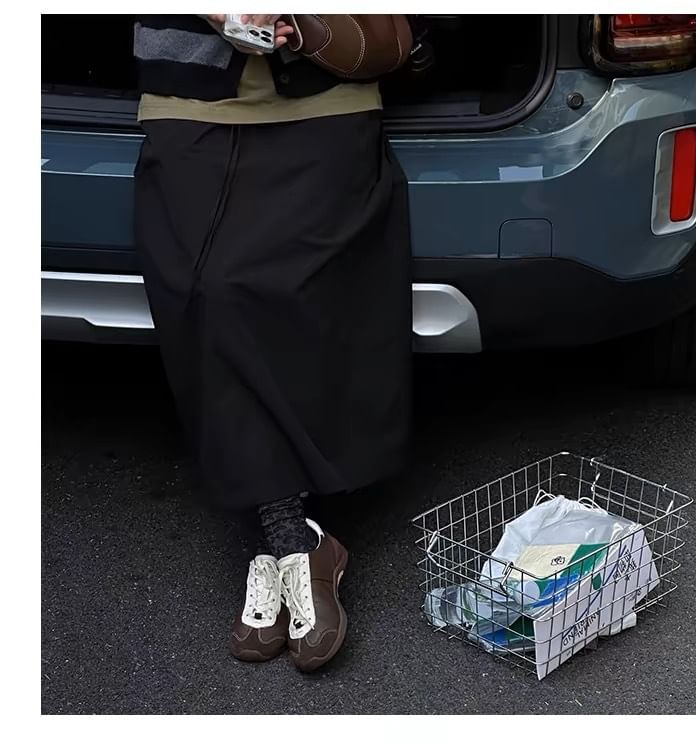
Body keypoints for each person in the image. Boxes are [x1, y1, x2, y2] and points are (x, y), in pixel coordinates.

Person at [132, 14, 412, 672]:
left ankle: (285, 546)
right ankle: (295, 542)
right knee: (212, 294)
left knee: (286, 294)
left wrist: (302, 19)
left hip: (328, 103)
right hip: (189, 104)